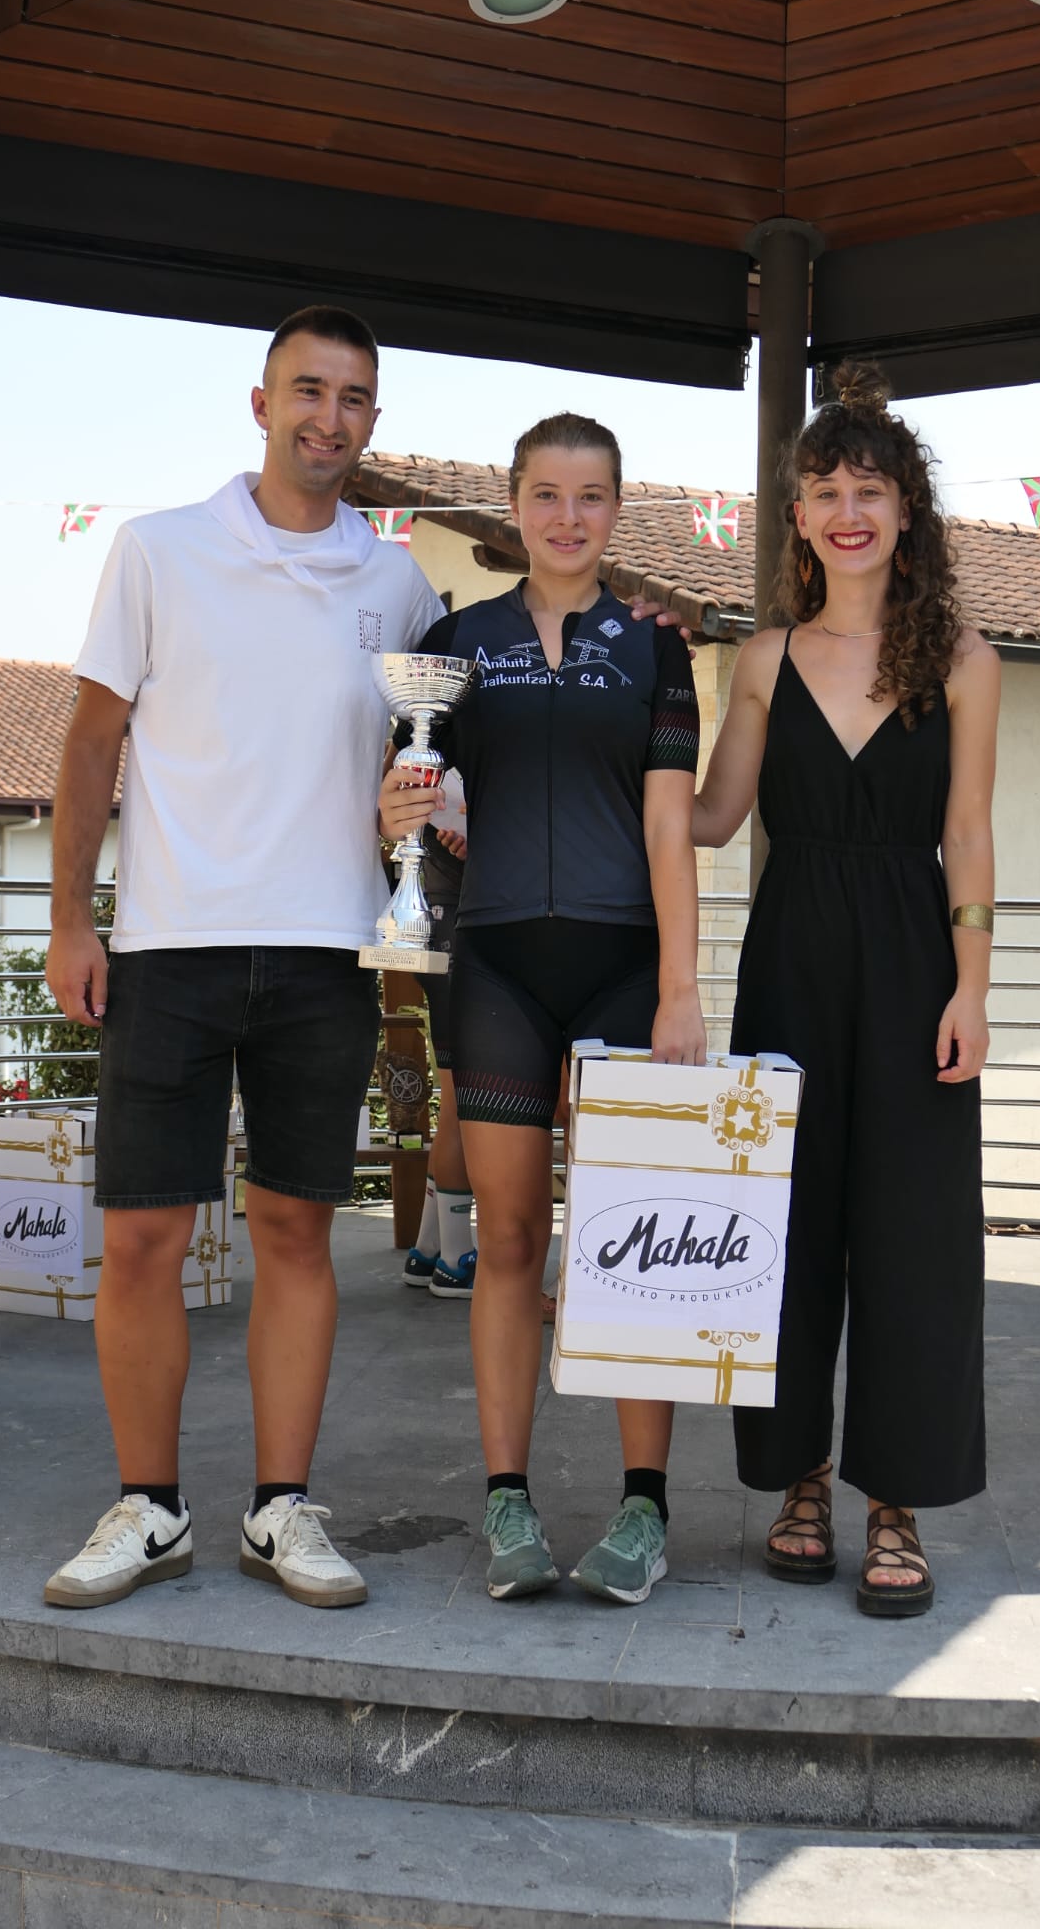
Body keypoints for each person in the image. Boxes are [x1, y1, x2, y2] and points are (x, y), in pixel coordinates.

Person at [42, 305, 444, 1611]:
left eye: (354, 398)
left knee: (294, 1231)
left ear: (371, 420)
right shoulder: (159, 550)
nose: (331, 417)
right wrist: (70, 919)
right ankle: (149, 1509)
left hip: (329, 951)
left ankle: (280, 1510)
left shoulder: (399, 587)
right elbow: (91, 743)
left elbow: (427, 766)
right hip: (169, 945)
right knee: (143, 1238)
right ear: (263, 403)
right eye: (309, 390)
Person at [380, 413, 705, 1606]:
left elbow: (670, 824)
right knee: (511, 1240)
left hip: (626, 969)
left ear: (618, 508)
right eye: (548, 495)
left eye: (592, 496)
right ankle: (507, 1498)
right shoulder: (456, 641)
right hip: (498, 967)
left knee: (632, 1241)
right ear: (515, 505)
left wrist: (682, 986)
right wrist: (393, 813)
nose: (569, 517)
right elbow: (404, 790)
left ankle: (643, 1505)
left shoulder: (655, 646)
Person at [692, 361, 999, 1618]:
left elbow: (968, 832)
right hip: (792, 955)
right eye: (824, 489)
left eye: (869, 489)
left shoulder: (966, 659)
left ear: (906, 509)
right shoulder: (762, 656)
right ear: (799, 517)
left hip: (918, 959)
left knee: (915, 1235)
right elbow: (711, 815)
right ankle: (800, 1480)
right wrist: (624, 720)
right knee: (786, 1227)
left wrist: (973, 987)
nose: (848, 510)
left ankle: (898, 1501)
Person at [401, 793, 478, 1299]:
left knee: (455, 1102)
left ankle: (429, 1248)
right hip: (452, 916)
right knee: (460, 1106)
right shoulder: (442, 758)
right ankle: (455, 1258)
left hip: (436, 913)